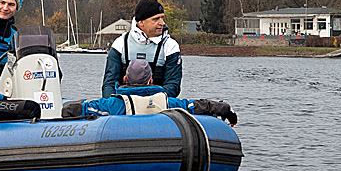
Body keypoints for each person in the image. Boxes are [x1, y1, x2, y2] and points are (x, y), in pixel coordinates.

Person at [65, 59, 237, 125]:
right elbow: (194, 106)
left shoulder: (114, 104)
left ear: (125, 79)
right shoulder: (167, 102)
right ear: (151, 80)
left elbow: (80, 109)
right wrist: (224, 109)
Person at [102, 0, 182, 98]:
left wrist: (149, 103)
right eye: (156, 19)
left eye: (162, 18)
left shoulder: (170, 46)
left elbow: (173, 86)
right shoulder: (120, 44)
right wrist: (113, 103)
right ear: (141, 22)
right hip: (125, 103)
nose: (162, 23)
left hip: (157, 104)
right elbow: (109, 84)